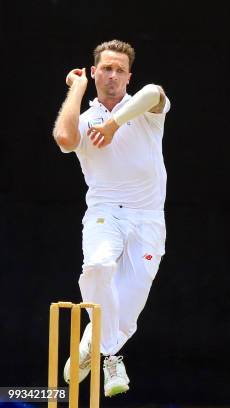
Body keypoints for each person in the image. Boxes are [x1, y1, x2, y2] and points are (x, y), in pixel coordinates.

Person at [52, 39, 170, 397]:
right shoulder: (86, 119)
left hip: (148, 220)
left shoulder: (144, 111)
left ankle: (92, 345)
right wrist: (78, 90)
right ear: (94, 72)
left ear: (128, 75)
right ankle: (110, 357)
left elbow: (154, 91)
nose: (113, 75)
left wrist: (116, 124)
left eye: (120, 69)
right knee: (98, 268)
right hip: (105, 214)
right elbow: (64, 138)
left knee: (126, 312)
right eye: (106, 68)